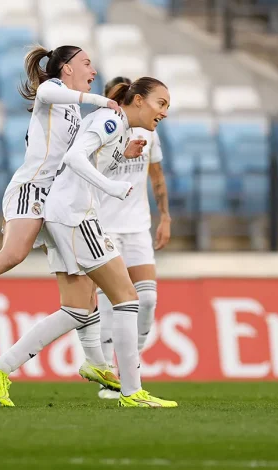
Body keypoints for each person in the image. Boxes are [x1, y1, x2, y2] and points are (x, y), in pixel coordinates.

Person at [0, 45, 123, 393]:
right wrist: (101, 101)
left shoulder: (73, 111)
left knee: (83, 291)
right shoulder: (54, 91)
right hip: (32, 189)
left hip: (58, 203)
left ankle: (97, 364)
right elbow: (47, 91)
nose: (93, 70)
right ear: (66, 68)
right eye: (86, 63)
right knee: (14, 254)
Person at [0, 77, 177, 408]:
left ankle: (0, 367)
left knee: (76, 309)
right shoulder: (112, 119)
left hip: (65, 213)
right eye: (161, 103)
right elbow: (74, 159)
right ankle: (131, 392)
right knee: (128, 298)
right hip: (75, 216)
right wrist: (112, 187)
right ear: (139, 100)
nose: (165, 112)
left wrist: (121, 156)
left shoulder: (120, 128)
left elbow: (87, 161)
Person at [94, 76, 172, 400]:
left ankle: (130, 368)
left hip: (138, 226)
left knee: (148, 300)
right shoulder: (102, 128)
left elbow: (157, 178)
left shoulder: (148, 132)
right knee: (110, 304)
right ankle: (108, 378)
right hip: (105, 226)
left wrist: (165, 215)